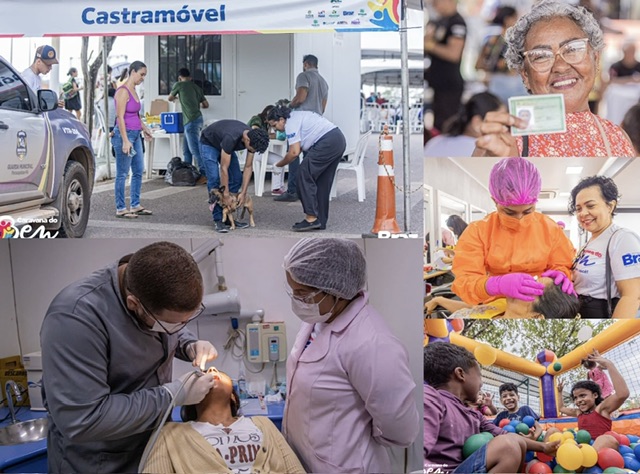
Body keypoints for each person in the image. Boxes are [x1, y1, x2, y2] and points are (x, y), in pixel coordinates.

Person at [41, 241, 219, 473]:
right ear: (133, 304)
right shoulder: (74, 318)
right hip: (99, 463)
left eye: (187, 320)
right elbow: (84, 418)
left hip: (155, 450)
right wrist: (172, 395)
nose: (180, 327)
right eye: (172, 324)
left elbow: (168, 326)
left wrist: (189, 344)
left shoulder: (153, 290)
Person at [283, 238, 419, 473]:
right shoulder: (318, 321)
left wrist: (351, 438)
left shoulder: (373, 342)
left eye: (302, 294)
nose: (296, 301)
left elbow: (401, 429)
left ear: (334, 290)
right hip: (307, 462)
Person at [473, 1, 635, 157]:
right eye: (541, 56)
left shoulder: (617, 139)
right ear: (525, 75)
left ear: (595, 59)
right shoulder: (502, 141)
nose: (560, 66)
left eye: (572, 49)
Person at [451, 157, 576, 305]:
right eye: (510, 213)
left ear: (535, 202)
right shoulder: (478, 231)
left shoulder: (551, 229)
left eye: (528, 211)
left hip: (542, 303)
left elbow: (562, 264)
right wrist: (495, 285)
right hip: (497, 305)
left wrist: (562, 274)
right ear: (494, 201)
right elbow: (464, 280)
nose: (519, 219)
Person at [424, 342, 559, 473]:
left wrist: (544, 447)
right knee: (508, 446)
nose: (481, 383)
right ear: (461, 374)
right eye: (479, 375)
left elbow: (507, 435)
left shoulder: (475, 415)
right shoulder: (431, 398)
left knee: (516, 442)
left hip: (465, 467)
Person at [142, 369, 305, 473]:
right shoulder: (169, 434)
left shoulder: (263, 424)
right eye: (204, 372)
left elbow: (294, 470)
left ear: (233, 396)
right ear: (191, 397)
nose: (211, 370)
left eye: (216, 371)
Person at [569, 175, 640, 318]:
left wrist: (614, 334)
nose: (583, 213)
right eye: (578, 208)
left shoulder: (622, 239)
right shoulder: (588, 243)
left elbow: (632, 296)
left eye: (590, 206)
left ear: (610, 206)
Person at [268, 104, 346, 231]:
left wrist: (278, 165)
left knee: (303, 174)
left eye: (274, 125)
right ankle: (320, 220)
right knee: (321, 181)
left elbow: (294, 152)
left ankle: (311, 218)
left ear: (281, 119)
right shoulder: (296, 116)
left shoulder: (290, 122)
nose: (275, 130)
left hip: (327, 141)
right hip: (337, 139)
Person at [275, 54, 329, 204]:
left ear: (306, 64)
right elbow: (323, 107)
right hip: (315, 124)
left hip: (300, 122)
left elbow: (300, 97)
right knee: (308, 159)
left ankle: (292, 190)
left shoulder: (303, 76)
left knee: (293, 156)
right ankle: (308, 190)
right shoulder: (324, 82)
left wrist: (288, 107)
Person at [199, 120, 269, 233]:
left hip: (225, 145)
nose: (252, 151)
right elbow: (223, 168)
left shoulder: (253, 138)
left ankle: (228, 215)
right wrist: (225, 194)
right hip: (209, 143)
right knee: (214, 179)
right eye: (252, 150)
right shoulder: (231, 138)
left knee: (236, 177)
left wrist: (243, 192)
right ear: (247, 140)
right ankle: (219, 219)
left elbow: (248, 167)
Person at [555, 349, 629, 450]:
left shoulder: (602, 409)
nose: (578, 400)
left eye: (582, 395)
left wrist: (609, 364)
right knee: (553, 431)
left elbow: (622, 394)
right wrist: (559, 392)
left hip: (601, 450)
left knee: (607, 439)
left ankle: (586, 457)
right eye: (575, 398)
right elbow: (561, 408)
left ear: (595, 395)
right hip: (582, 447)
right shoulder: (578, 412)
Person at [112, 60, 154, 219]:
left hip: (136, 134)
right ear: (133, 72)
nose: (143, 78)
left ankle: (135, 205)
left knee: (138, 170)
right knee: (122, 173)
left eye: (145, 75)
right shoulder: (122, 91)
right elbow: (120, 117)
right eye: (141, 74)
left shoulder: (134, 90)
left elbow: (135, 115)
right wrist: (124, 140)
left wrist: (145, 129)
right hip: (126, 134)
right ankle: (121, 208)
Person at [427, 277, 581, 319]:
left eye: (531, 287)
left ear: (537, 316)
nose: (524, 284)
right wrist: (439, 300)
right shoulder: (502, 304)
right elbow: (471, 309)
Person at [424, 0, 467, 132]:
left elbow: (454, 54)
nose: (435, 6)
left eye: (437, 2)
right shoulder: (438, 20)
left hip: (449, 84)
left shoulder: (457, 23)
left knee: (447, 126)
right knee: (436, 125)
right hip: (437, 82)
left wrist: (431, 46)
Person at [476, 6, 529, 106]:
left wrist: (492, 72)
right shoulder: (519, 42)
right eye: (516, 17)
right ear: (508, 19)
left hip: (494, 84)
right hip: (513, 85)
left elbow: (478, 65)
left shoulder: (492, 40)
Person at [424, 92, 504, 157]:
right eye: (500, 122)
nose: (504, 129)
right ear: (477, 123)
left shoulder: (435, 142)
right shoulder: (484, 152)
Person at [168, 68, 209, 184]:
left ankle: (205, 174)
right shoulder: (196, 87)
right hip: (197, 119)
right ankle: (188, 175)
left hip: (190, 121)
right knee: (186, 150)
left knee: (195, 150)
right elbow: (206, 105)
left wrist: (180, 98)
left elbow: (170, 98)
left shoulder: (179, 85)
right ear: (190, 77)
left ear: (179, 77)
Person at [248, 104, 285, 195]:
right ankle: (276, 188)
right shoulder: (256, 119)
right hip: (255, 151)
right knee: (280, 161)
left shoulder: (267, 124)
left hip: (258, 151)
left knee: (282, 160)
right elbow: (255, 132)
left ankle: (279, 186)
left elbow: (275, 136)